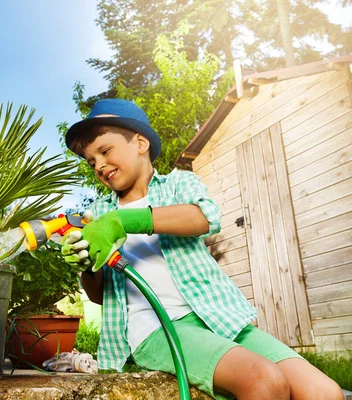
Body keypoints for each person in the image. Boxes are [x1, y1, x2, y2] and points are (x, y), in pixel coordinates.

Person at [61, 99, 343, 400]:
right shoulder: (97, 214)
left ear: (140, 143)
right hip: (158, 328)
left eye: (105, 151)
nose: (100, 166)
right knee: (264, 381)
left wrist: (126, 220)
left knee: (324, 392)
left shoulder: (178, 185)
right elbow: (97, 295)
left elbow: (204, 217)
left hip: (217, 317)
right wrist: (87, 262)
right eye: (91, 162)